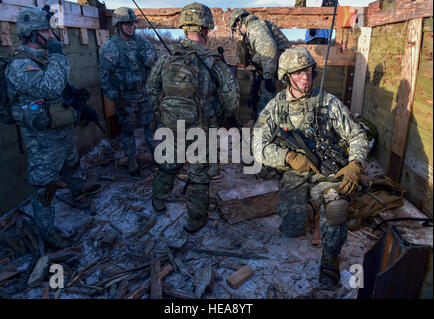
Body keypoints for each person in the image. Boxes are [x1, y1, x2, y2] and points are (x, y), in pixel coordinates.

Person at [252, 47, 369, 290]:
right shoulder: (275, 108)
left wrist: (355, 164)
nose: (305, 77)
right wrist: (287, 156)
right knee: (293, 230)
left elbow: (357, 134)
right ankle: (307, 206)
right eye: (298, 73)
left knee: (336, 206)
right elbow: (257, 145)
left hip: (324, 170)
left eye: (308, 71)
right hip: (294, 172)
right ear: (287, 77)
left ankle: (330, 258)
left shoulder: (328, 102)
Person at [6, 7, 100, 248]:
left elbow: (63, 88)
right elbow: (50, 88)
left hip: (58, 129)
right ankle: (47, 233)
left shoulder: (44, 58)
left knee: (71, 162)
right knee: (44, 185)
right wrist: (59, 56)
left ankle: (79, 195)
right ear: (33, 34)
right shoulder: (22, 65)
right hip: (41, 138)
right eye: (46, 30)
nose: (51, 35)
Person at [148, 2, 239, 233]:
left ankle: (158, 201)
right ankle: (194, 220)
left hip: (171, 125)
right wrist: (221, 115)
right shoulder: (214, 62)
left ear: (184, 28)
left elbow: (151, 89)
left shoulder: (167, 58)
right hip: (202, 129)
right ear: (206, 29)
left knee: (168, 164)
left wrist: (163, 113)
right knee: (199, 175)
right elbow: (231, 100)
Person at [98, 7, 157, 176]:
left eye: (133, 24)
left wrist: (148, 58)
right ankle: (132, 161)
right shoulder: (111, 46)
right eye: (127, 24)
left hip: (144, 95)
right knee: (128, 130)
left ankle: (157, 157)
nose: (131, 27)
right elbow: (103, 75)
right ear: (118, 25)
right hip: (126, 98)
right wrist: (114, 96)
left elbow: (154, 57)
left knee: (151, 127)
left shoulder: (141, 41)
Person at [229, 8, 291, 116]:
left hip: (281, 70)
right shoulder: (253, 29)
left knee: (265, 110)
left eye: (235, 30)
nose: (237, 33)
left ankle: (262, 130)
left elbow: (268, 48)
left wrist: (268, 77)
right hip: (278, 69)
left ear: (238, 23)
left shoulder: (254, 27)